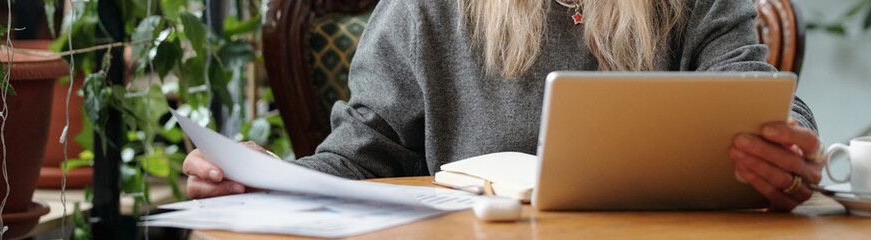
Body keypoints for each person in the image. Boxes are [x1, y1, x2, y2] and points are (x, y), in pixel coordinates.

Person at [184, 0, 824, 211]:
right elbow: (357, 158)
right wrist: (261, 175)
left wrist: (787, 152)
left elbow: (754, 98)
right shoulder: (423, 10)